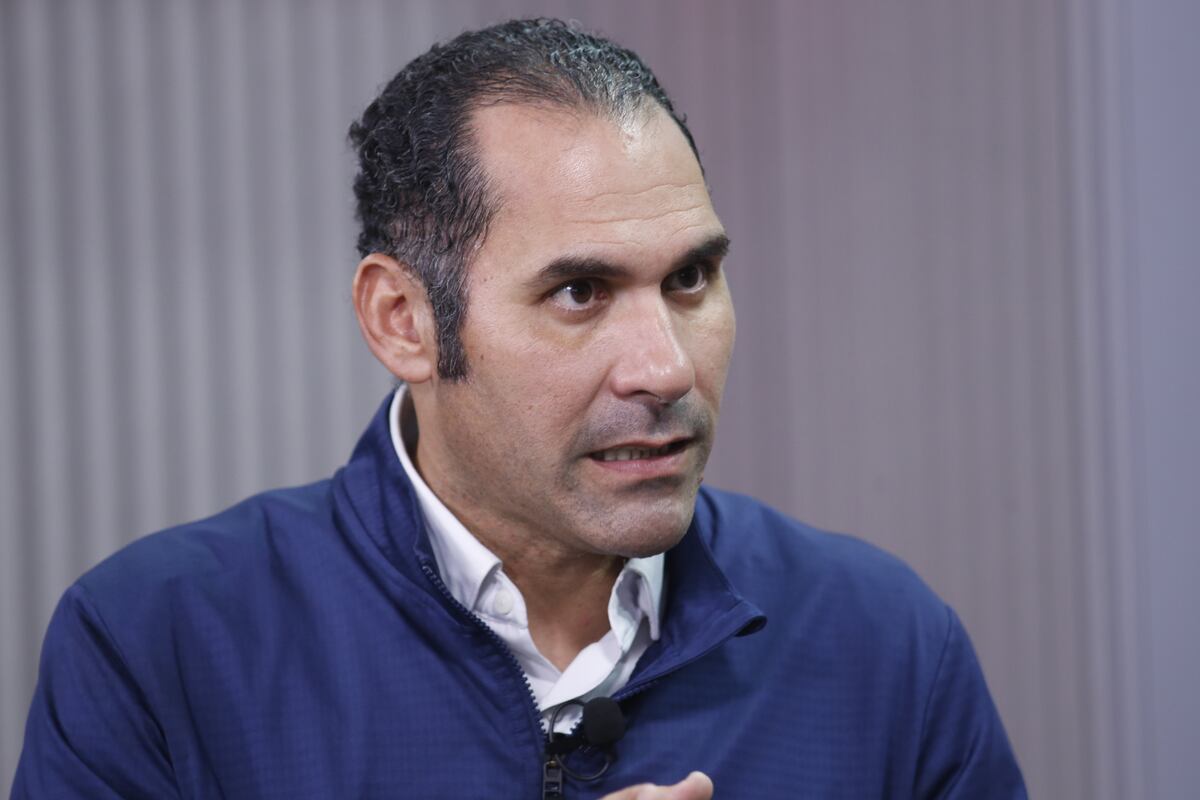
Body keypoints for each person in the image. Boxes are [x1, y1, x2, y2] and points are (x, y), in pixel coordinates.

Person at [13, 18, 1026, 800]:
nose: (665, 367)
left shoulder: (886, 643)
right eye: (579, 292)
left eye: (690, 278)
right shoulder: (161, 645)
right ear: (405, 320)